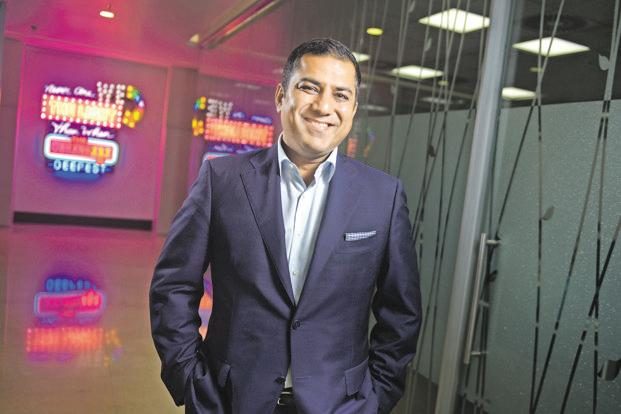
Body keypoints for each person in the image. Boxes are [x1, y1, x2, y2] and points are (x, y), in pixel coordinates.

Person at [150, 38, 422, 414]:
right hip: (230, 401)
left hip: (341, 405)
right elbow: (173, 286)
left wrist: (374, 399)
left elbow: (401, 312)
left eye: (341, 95)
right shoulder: (222, 180)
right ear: (282, 96)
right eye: (310, 87)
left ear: (354, 109)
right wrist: (191, 381)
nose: (324, 106)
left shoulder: (383, 196)